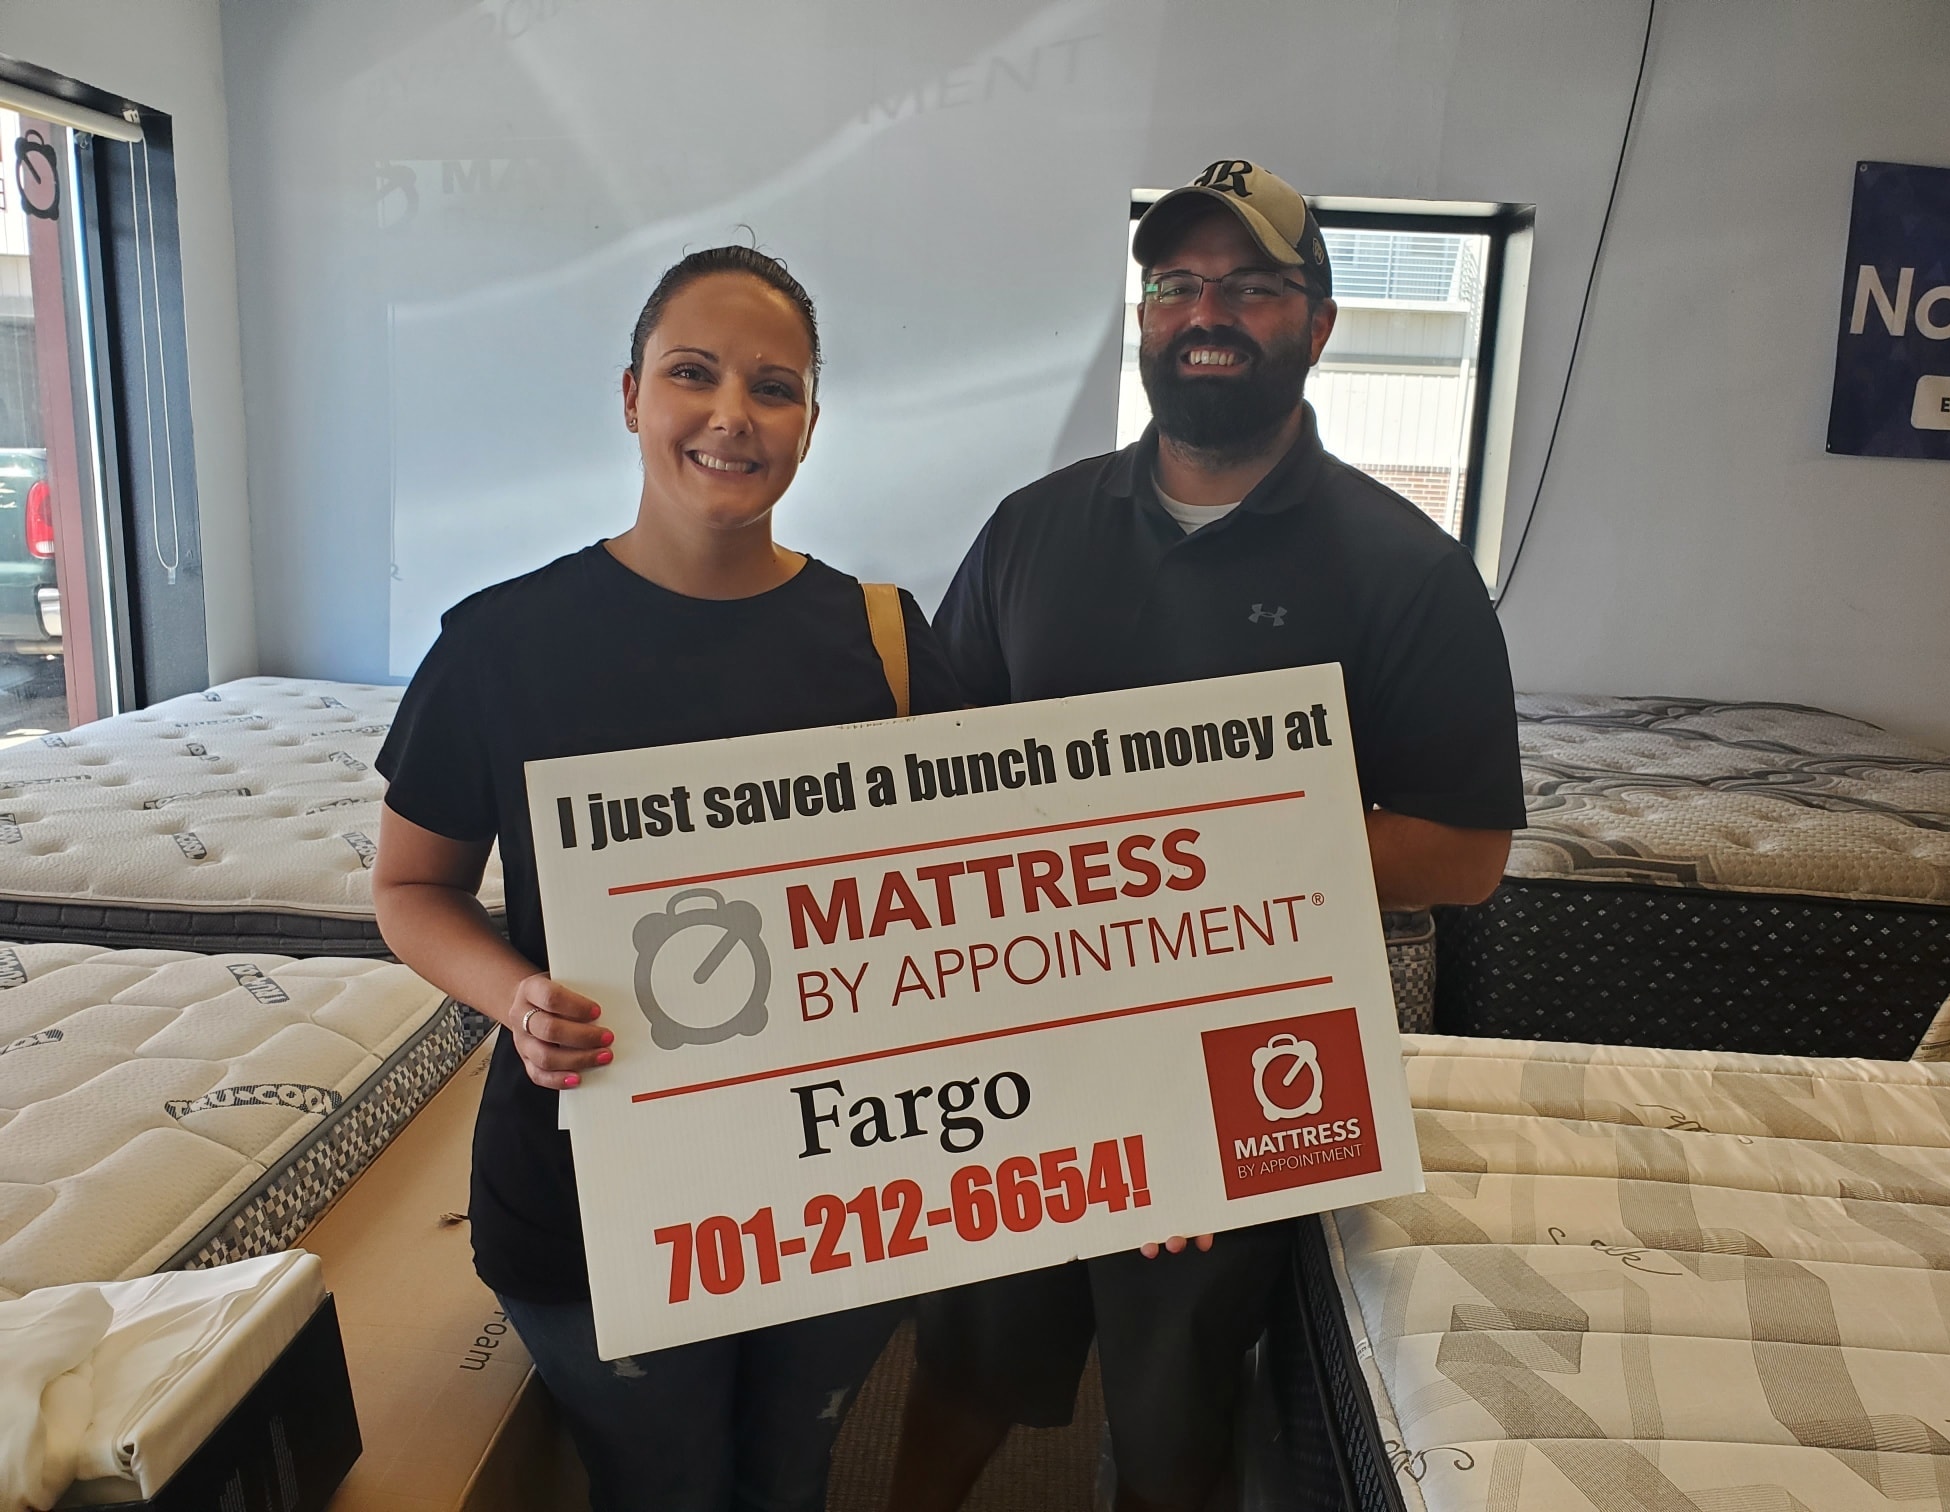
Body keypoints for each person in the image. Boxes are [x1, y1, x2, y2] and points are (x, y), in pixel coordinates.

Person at [888, 160, 1526, 1512]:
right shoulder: (1032, 531)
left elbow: (1468, 855)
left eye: (1252, 286)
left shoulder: (1408, 569)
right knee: (967, 1355)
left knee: (1178, 1402)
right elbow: (931, 772)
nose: (1206, 312)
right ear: (1145, 319)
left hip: (1259, 1045)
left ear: (1320, 323)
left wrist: (1207, 840)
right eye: (1175, 284)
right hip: (1029, 1023)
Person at [372, 246, 963, 1512]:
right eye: (693, 373)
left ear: (811, 423)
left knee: (791, 1478)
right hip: (589, 1191)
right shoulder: (499, 644)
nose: (732, 414)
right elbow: (410, 890)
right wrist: (515, 995)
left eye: (775, 386)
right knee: (660, 1489)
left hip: (840, 1181)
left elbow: (994, 890)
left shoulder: (889, 646)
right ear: (632, 396)